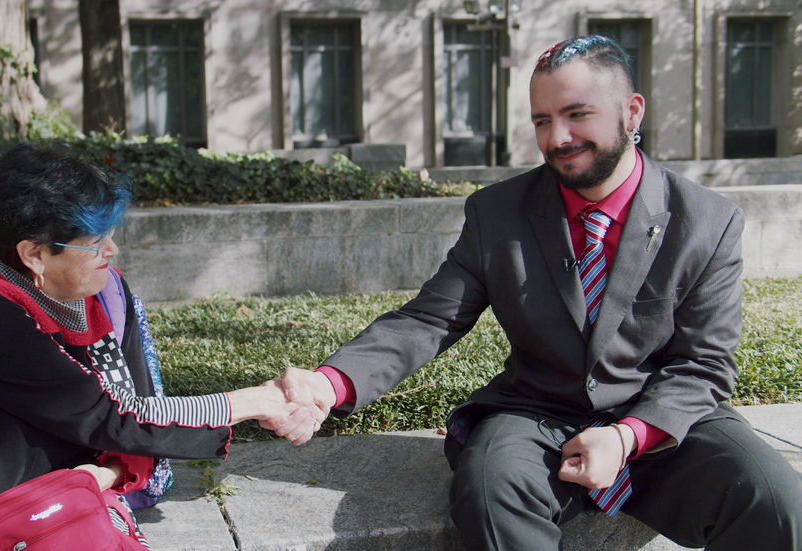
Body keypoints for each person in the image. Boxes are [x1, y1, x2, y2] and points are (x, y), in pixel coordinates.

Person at [269, 36, 802, 550]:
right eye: (542, 121)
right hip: (537, 417)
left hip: (661, 423)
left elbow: (704, 366)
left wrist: (626, 437)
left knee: (777, 499)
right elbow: (429, 319)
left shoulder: (708, 222)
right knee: (487, 489)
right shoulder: (497, 213)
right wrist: (330, 383)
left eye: (577, 114)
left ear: (632, 111)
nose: (557, 137)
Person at [0, 143, 315, 551]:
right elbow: (116, 416)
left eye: (110, 233)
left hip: (75, 505)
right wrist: (256, 400)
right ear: (34, 254)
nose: (111, 250)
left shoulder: (104, 297)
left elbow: (139, 406)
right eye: (94, 240)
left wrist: (105, 475)